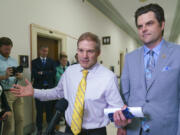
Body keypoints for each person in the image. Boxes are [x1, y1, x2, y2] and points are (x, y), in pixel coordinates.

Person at [11, 32, 125, 135]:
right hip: (69, 130)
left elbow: (117, 109)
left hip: (95, 132)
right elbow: (57, 92)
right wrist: (34, 92)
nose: (84, 56)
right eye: (81, 50)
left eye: (90, 51)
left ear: (98, 52)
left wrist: (121, 125)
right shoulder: (70, 71)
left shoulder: (109, 77)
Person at [114, 3, 180, 135]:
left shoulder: (177, 53)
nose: (143, 29)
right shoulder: (130, 58)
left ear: (162, 25)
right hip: (134, 129)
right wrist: (122, 125)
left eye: (149, 23)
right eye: (140, 26)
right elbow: (124, 95)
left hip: (166, 129)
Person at [0, 37, 24, 135]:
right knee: (9, 123)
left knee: (20, 119)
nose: (8, 51)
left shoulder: (14, 61)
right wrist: (4, 76)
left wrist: (20, 76)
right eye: (6, 49)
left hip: (16, 91)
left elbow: (18, 75)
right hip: (5, 94)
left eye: (9, 49)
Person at [31, 45, 56, 135]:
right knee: (39, 111)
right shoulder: (34, 62)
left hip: (49, 89)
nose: (45, 53)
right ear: (40, 51)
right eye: (44, 51)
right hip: (38, 90)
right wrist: (47, 72)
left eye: (47, 51)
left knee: (49, 110)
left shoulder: (51, 61)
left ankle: (50, 128)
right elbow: (35, 75)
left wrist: (42, 72)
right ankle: (39, 129)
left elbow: (54, 73)